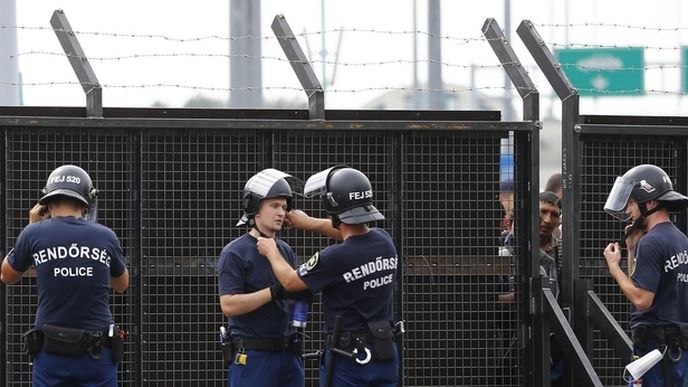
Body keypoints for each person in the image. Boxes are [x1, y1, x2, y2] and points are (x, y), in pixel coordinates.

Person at [256, 166, 399, 387]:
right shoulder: (385, 241)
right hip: (384, 352)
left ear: (333, 207)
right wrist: (309, 223)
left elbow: (290, 281)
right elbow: (353, 231)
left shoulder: (335, 257)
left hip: (349, 358)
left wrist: (271, 251)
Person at [0, 164, 129, 387]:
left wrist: (31, 228)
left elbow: (7, 276)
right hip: (97, 353)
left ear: (46, 204)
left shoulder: (33, 233)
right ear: (85, 202)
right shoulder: (105, 236)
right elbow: (122, 284)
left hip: (52, 351)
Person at [217, 168, 305, 387]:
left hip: (288, 355)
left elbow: (291, 301)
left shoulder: (285, 250)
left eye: (284, 207)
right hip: (254, 357)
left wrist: (300, 295)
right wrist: (274, 292)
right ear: (254, 208)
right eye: (274, 206)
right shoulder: (235, 252)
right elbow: (228, 305)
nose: (281, 213)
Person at [602, 164, 688, 387]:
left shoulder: (651, 242)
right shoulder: (680, 239)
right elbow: (642, 284)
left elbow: (642, 300)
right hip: (676, 349)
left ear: (649, 202)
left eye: (631, 203)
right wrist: (632, 249)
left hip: (654, 347)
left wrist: (614, 267)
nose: (629, 210)